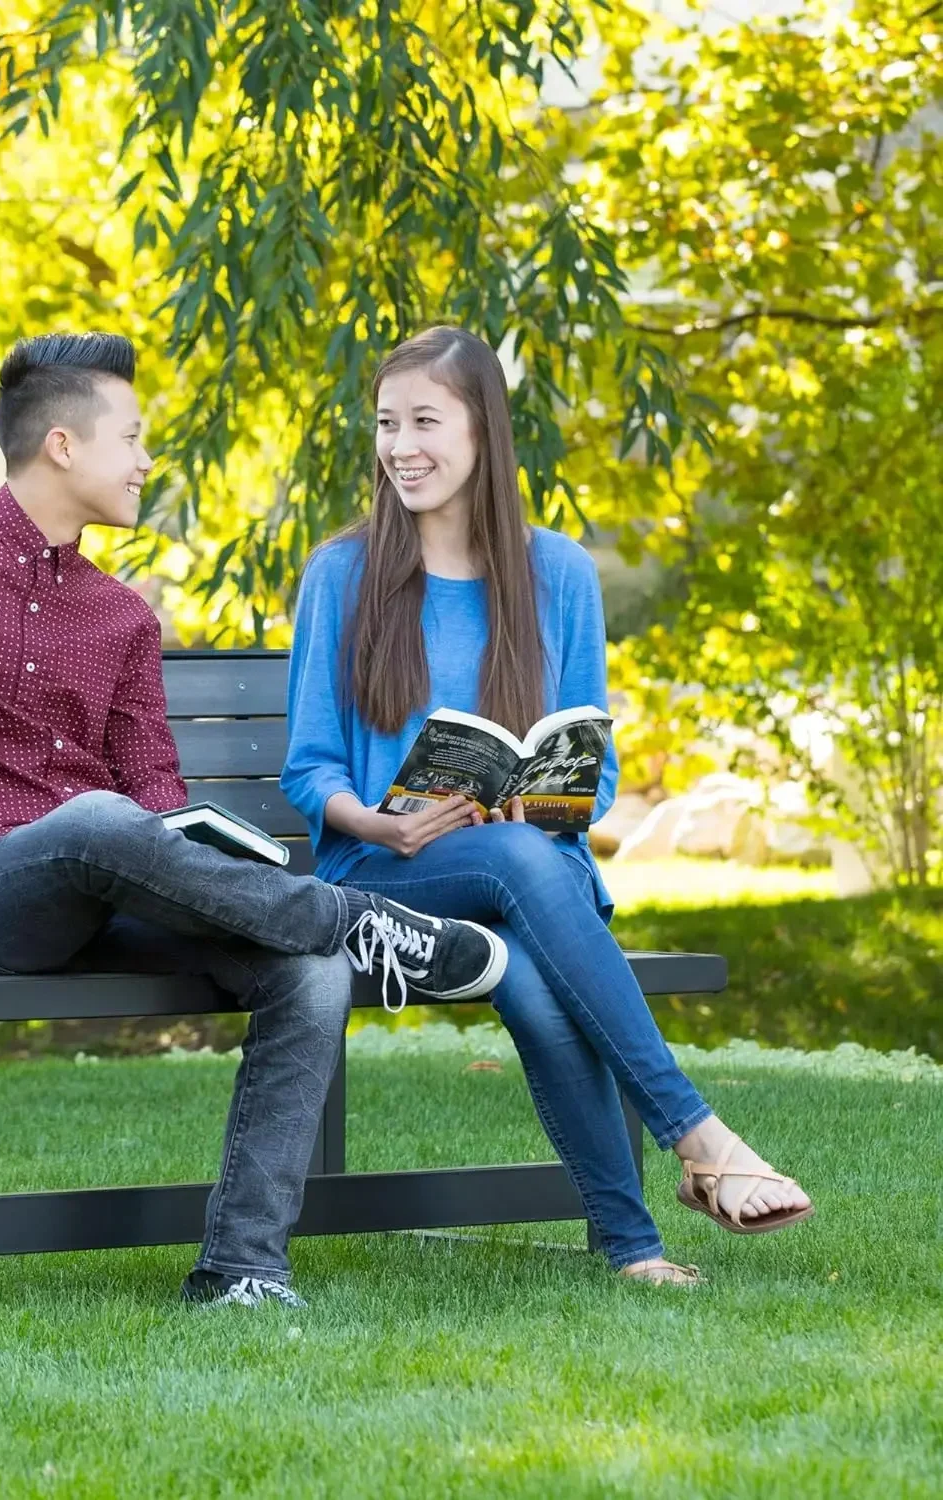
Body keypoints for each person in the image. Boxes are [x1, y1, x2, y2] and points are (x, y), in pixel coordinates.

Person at [0, 330, 508, 1309]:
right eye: (131, 438)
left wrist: (201, 857)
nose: (145, 462)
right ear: (61, 445)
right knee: (96, 820)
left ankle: (243, 1269)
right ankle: (356, 921)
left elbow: (154, 794)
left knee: (302, 970)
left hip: (113, 892)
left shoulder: (122, 619)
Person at [282, 325, 813, 1286]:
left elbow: (595, 777)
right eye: (387, 424)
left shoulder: (558, 574)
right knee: (527, 871)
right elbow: (311, 768)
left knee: (529, 965)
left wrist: (540, 808)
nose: (401, 446)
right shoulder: (343, 574)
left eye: (425, 422)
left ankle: (630, 1244)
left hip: (526, 868)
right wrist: (382, 821)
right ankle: (699, 1137)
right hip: (380, 873)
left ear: (484, 430)